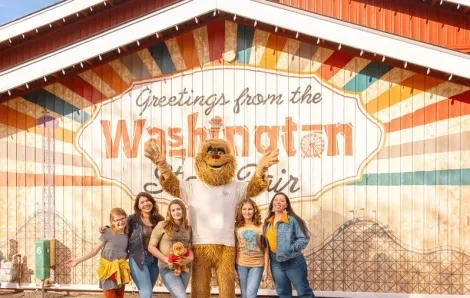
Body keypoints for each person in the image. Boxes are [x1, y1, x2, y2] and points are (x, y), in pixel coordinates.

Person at [66, 208, 130, 298]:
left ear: (126, 218)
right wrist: (78, 260)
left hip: (120, 270)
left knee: (119, 296)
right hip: (107, 270)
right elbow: (94, 251)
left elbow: (127, 253)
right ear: (112, 221)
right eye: (117, 220)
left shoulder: (128, 236)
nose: (121, 222)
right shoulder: (107, 233)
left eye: (122, 218)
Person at [263, 192, 315, 298]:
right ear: (272, 203)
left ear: (286, 205)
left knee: (304, 292)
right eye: (276, 200)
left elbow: (304, 238)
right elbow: (266, 245)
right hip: (275, 263)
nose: (278, 202)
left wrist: (289, 249)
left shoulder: (292, 220)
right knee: (283, 293)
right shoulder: (267, 222)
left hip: (293, 261)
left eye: (282, 200)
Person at [148, 199, 193, 298]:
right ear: (169, 212)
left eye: (178, 209)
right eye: (173, 210)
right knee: (182, 296)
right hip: (167, 268)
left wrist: (191, 258)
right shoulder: (162, 225)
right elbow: (151, 247)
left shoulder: (188, 228)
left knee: (177, 296)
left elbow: (189, 248)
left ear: (183, 210)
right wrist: (166, 259)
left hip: (185, 268)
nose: (176, 212)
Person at [234, 198, 269, 298]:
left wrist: (266, 269)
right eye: (244, 209)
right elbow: (235, 248)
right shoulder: (237, 227)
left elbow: (266, 249)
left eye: (250, 209)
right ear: (241, 211)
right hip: (241, 265)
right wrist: (233, 269)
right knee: (244, 295)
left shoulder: (261, 227)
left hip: (257, 265)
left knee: (251, 295)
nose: (247, 212)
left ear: (254, 210)